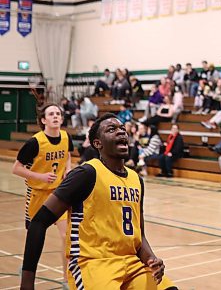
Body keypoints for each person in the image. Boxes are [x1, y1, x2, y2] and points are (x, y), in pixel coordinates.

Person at [19, 113, 177, 290]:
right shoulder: (86, 174)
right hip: (92, 264)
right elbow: (38, 222)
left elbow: (139, 236)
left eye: (123, 129)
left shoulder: (136, 179)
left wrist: (151, 259)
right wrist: (27, 283)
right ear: (97, 143)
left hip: (131, 265)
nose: (121, 132)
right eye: (112, 129)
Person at [12, 103, 73, 285]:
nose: (55, 116)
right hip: (37, 195)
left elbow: (68, 155)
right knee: (35, 239)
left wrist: (68, 170)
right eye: (51, 114)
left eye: (58, 114)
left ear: (61, 119)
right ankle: (27, 270)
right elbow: (16, 168)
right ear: (43, 120)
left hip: (58, 194)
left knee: (66, 236)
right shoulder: (34, 143)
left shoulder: (65, 136)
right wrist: (39, 176)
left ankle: (66, 278)